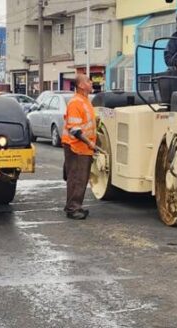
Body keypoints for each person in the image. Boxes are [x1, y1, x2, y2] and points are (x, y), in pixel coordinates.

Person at [61, 72, 97, 220]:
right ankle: (73, 208)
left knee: (80, 178)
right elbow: (75, 129)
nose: (91, 83)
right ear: (81, 85)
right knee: (77, 178)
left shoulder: (85, 100)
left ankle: (74, 206)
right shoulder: (76, 102)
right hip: (76, 146)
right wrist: (89, 143)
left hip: (82, 147)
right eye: (88, 81)